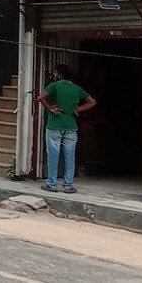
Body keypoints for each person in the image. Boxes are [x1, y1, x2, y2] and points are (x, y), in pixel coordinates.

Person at [36, 64, 96, 193]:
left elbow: (40, 97)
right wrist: (77, 109)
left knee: (53, 155)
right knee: (70, 156)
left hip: (55, 125)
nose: (54, 75)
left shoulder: (54, 86)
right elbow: (92, 101)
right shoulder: (76, 89)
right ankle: (68, 185)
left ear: (60, 74)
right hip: (71, 127)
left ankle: (51, 184)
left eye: (55, 73)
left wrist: (50, 108)